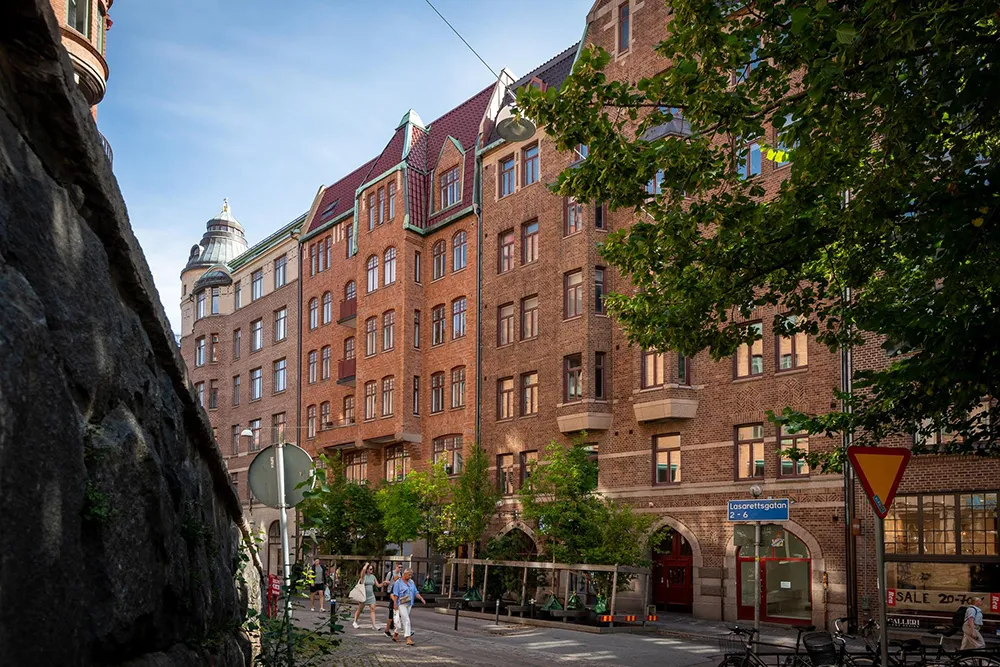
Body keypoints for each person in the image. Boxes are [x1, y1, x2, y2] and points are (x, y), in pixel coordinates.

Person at [390, 568, 426, 646]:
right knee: (406, 620)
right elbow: (395, 594)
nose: (410, 577)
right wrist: (395, 604)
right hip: (401, 603)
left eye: (411, 575)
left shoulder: (411, 582)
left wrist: (421, 598)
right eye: (409, 575)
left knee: (402, 620)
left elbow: (416, 592)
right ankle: (408, 638)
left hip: (409, 603)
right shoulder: (398, 583)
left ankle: (395, 635)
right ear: (404, 574)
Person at [352, 562, 380, 630]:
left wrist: (384, 583)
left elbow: (378, 585)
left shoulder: (373, 576)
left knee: (373, 609)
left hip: (371, 596)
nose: (371, 570)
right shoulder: (363, 576)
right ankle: (355, 621)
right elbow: (362, 572)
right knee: (360, 609)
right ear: (367, 569)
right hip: (363, 596)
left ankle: (374, 625)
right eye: (370, 569)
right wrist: (366, 565)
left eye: (372, 569)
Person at [382, 563, 402, 638]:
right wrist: (387, 582)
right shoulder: (390, 573)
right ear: (396, 567)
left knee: (398, 612)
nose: (400, 569)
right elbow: (385, 583)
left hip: (398, 593)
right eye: (399, 567)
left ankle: (393, 628)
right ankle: (387, 630)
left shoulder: (401, 574)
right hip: (391, 592)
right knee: (392, 612)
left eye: (401, 567)